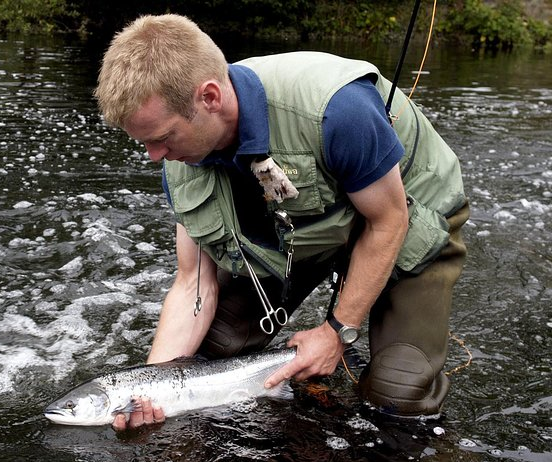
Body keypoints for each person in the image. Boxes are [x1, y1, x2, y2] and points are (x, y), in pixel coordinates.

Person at [94, 14, 469, 431]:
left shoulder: (338, 111)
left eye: (162, 137)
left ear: (210, 98)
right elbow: (191, 284)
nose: (154, 156)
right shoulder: (179, 159)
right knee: (216, 350)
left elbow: (388, 222)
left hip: (406, 216)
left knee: (397, 398)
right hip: (302, 230)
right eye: (143, 142)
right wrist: (150, 389)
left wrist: (336, 331)